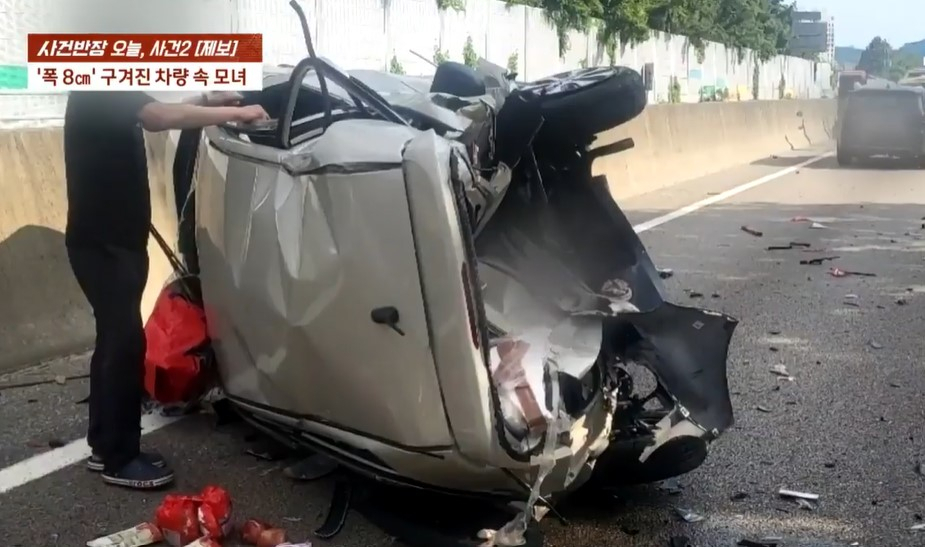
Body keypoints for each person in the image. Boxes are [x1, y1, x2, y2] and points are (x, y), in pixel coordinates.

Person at [64, 90, 269, 489]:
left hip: (111, 240)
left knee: (114, 339)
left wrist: (207, 100)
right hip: (105, 244)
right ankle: (121, 459)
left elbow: (150, 109)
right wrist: (236, 111)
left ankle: (105, 445)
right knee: (124, 342)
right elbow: (158, 116)